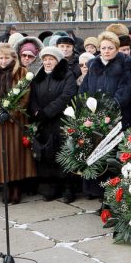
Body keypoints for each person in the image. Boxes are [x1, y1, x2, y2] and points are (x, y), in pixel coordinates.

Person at [0, 44, 36, 205]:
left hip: (15, 121)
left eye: (7, 58)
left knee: (15, 154)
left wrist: (11, 113)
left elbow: (25, 96)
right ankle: (5, 186)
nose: (3, 61)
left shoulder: (21, 73)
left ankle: (16, 187)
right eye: (0, 58)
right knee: (0, 156)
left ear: (13, 58)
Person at [28, 46, 78, 202]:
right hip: (44, 122)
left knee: (63, 154)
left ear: (57, 60)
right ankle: (51, 188)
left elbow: (67, 96)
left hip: (61, 121)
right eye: (45, 59)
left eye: (51, 59)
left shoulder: (67, 75)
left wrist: (47, 111)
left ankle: (68, 188)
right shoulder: (39, 76)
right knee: (47, 155)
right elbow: (32, 95)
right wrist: (36, 111)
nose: (47, 62)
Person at [80, 31, 131, 126]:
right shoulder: (93, 65)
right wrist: (86, 108)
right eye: (103, 48)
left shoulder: (124, 64)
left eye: (110, 48)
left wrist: (108, 109)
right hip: (93, 116)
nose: (106, 51)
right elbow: (84, 89)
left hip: (116, 116)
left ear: (117, 49)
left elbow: (124, 91)